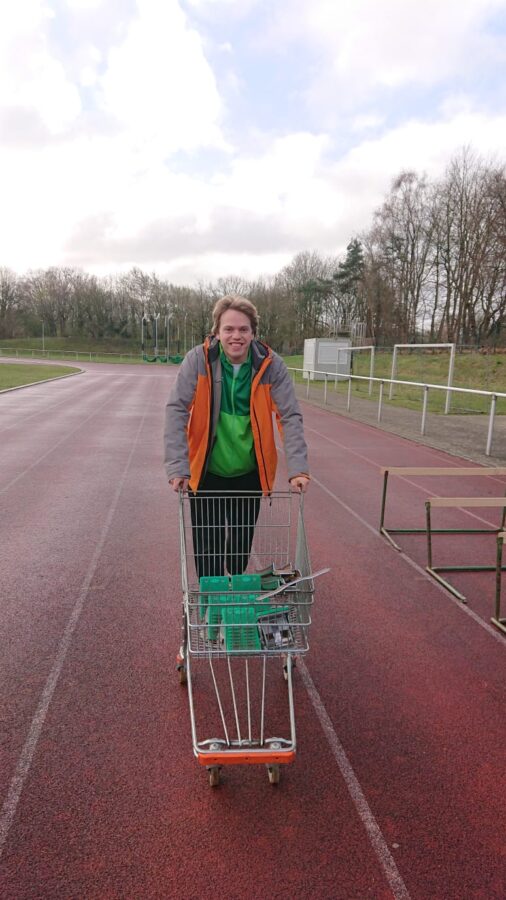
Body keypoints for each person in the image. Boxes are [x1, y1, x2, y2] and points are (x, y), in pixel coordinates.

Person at [164, 295, 309, 578]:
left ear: (253, 333)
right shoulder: (198, 360)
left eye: (243, 329)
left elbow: (289, 415)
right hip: (207, 472)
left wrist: (298, 469)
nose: (236, 336)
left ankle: (234, 582)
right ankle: (211, 600)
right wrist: (178, 467)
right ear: (217, 332)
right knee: (208, 548)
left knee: (240, 550)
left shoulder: (271, 365)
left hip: (249, 473)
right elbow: (176, 410)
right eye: (228, 329)